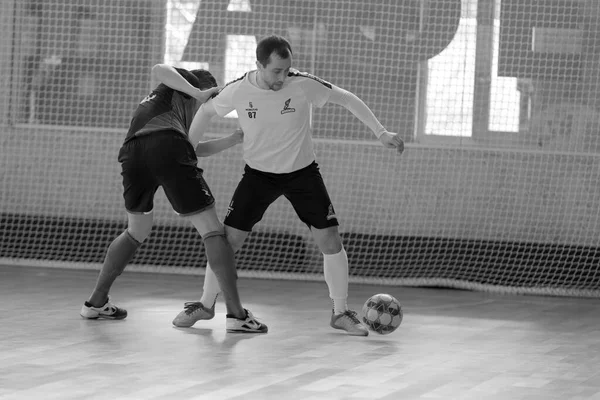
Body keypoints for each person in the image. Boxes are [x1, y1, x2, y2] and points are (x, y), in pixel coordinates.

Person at [172, 35, 404, 336]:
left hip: (302, 174)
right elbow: (205, 112)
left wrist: (381, 132)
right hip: (258, 176)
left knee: (330, 240)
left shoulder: (302, 83)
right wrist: (187, 150)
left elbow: (345, 97)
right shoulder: (239, 89)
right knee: (226, 243)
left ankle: (340, 311)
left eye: (287, 69)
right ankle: (205, 304)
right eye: (276, 71)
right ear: (259, 65)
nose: (283, 76)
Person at [79, 64, 267, 334]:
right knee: (213, 231)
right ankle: (237, 315)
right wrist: (198, 92)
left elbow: (191, 147)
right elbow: (158, 68)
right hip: (165, 145)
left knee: (136, 230)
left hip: (133, 151)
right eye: (208, 98)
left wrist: (234, 138)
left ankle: (95, 302)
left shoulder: (166, 105)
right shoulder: (186, 83)